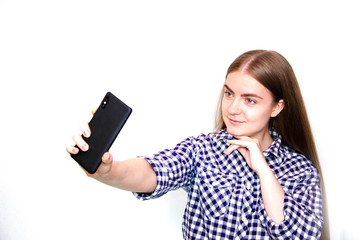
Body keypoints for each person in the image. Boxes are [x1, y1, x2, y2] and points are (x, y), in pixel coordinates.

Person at [67, 50, 327, 239]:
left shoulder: (299, 171)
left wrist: (264, 171)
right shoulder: (202, 150)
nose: (233, 108)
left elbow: (300, 236)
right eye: (229, 93)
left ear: (277, 107)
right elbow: (153, 172)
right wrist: (108, 171)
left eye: (250, 100)